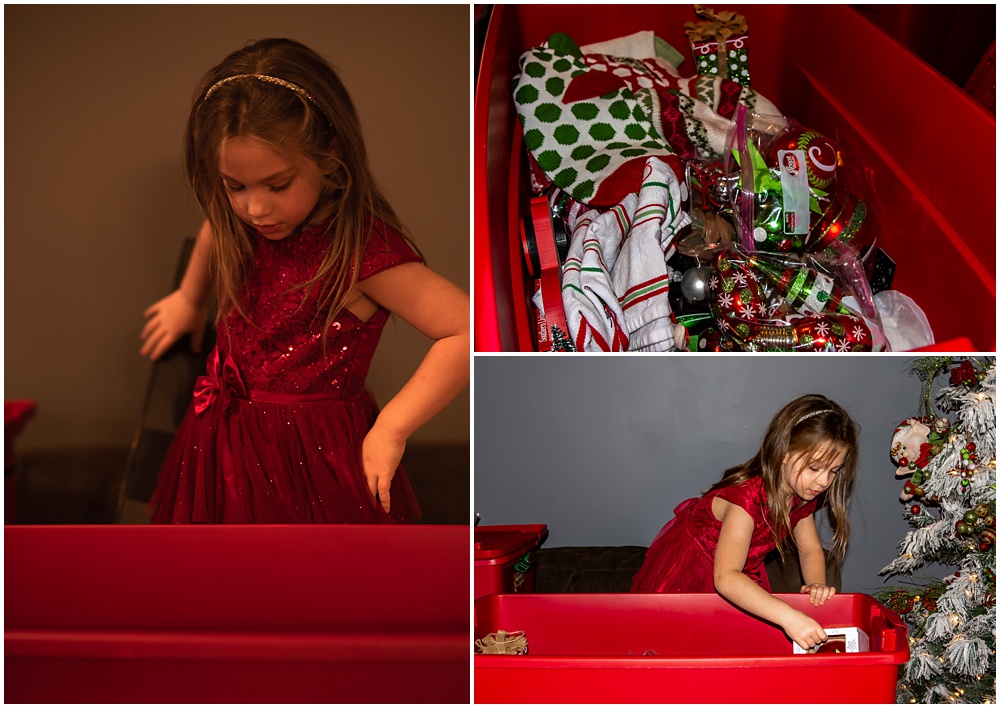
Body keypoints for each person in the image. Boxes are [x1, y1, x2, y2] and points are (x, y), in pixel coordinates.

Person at [139, 38, 469, 524]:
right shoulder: (241, 220)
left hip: (311, 463)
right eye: (235, 187)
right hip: (217, 441)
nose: (255, 208)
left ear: (329, 155)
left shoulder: (359, 250)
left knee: (309, 588)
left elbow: (465, 329)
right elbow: (216, 227)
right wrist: (189, 299)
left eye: (277, 185)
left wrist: (392, 428)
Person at [630, 394, 858, 651]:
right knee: (678, 649)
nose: (824, 482)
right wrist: (788, 616)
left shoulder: (801, 497)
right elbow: (725, 577)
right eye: (815, 468)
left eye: (833, 471)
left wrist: (815, 585)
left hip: (739, 574)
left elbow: (810, 549)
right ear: (783, 453)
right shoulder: (747, 501)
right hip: (698, 574)